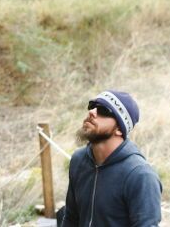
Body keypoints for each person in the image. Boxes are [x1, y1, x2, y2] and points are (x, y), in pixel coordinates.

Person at [58, 90, 162, 227]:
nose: (92, 112)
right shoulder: (79, 160)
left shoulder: (140, 175)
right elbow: (71, 218)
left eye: (103, 110)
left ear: (119, 128)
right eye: (92, 106)